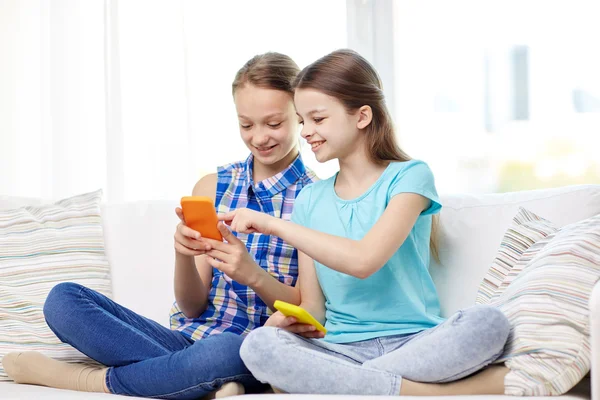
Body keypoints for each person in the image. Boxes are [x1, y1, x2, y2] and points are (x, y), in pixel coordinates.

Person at [2, 52, 318, 399]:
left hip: (253, 349)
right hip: (183, 340)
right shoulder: (213, 187)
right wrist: (183, 254)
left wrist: (252, 274)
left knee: (224, 351)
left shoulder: (316, 199)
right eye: (246, 124)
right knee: (63, 300)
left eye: (273, 124)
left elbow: (307, 310)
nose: (259, 137)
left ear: (300, 117)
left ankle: (83, 379)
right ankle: (198, 382)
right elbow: (192, 308)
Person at [210, 49, 510, 396]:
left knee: (488, 323)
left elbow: (364, 260)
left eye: (317, 119)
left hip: (415, 342)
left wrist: (272, 224)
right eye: (302, 120)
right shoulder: (310, 199)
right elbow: (314, 308)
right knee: (258, 346)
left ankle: (353, 385)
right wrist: (289, 322)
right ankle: (430, 392)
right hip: (339, 348)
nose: (306, 132)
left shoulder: (409, 177)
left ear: (362, 116)